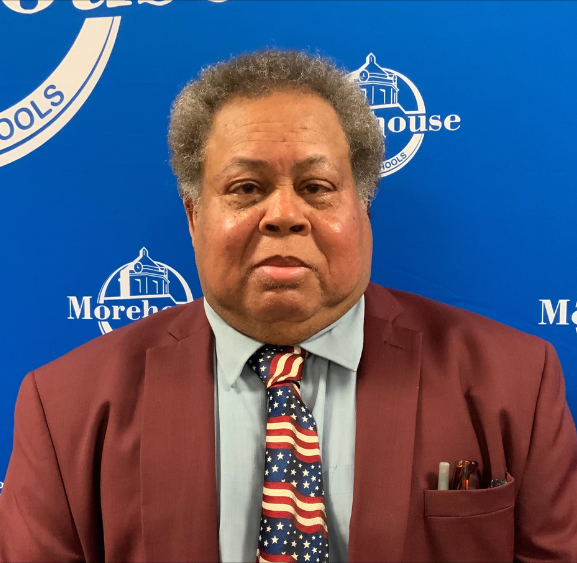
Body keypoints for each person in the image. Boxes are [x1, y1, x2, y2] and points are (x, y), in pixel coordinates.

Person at [0, 49, 576, 563]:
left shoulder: (515, 384)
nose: (283, 214)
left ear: (363, 209)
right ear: (194, 217)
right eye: (246, 188)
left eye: (317, 187)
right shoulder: (65, 409)